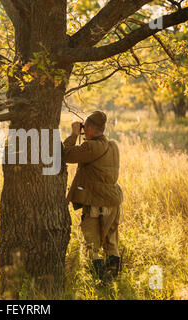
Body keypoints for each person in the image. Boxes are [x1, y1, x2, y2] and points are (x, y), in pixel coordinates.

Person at [63, 110, 123, 281]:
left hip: (97, 203)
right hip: (113, 202)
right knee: (111, 244)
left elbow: (66, 154)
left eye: (84, 128)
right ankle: (113, 281)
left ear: (88, 127)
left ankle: (101, 283)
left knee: (91, 245)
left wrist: (74, 134)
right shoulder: (113, 146)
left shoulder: (92, 147)